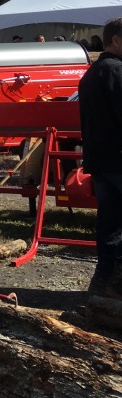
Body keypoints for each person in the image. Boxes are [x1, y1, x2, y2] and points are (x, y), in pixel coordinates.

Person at [77, 17, 122, 300]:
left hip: (102, 160)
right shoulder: (116, 72)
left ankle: (103, 290)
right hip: (118, 160)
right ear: (116, 40)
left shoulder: (92, 73)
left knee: (111, 226)